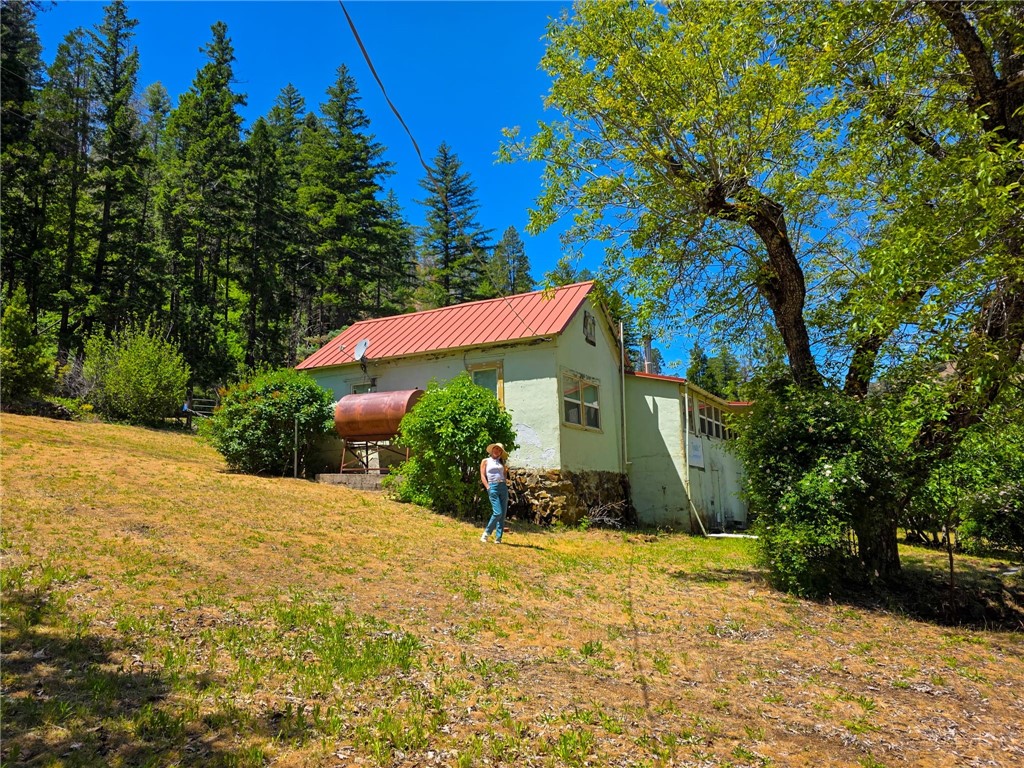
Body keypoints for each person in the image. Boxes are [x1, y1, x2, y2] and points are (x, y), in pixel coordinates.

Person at [480, 442, 509, 543]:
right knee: (498, 513)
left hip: (503, 488)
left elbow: (504, 475)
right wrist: (488, 487)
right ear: (492, 450)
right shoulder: (486, 461)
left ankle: (498, 537)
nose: (497, 451)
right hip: (492, 486)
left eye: (499, 450)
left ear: (501, 453)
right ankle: (486, 533)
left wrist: (504, 481)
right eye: (495, 449)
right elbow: (483, 475)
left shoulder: (502, 463)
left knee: (503, 513)